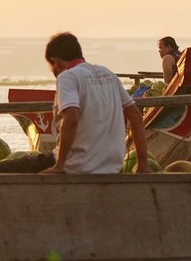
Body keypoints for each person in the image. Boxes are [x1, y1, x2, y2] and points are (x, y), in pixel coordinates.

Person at [39, 31, 149, 175]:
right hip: (113, 166)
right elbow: (135, 116)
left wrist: (60, 166)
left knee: (9, 167)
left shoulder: (67, 77)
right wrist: (143, 165)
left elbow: (71, 119)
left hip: (76, 165)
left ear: (56, 61)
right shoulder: (108, 74)